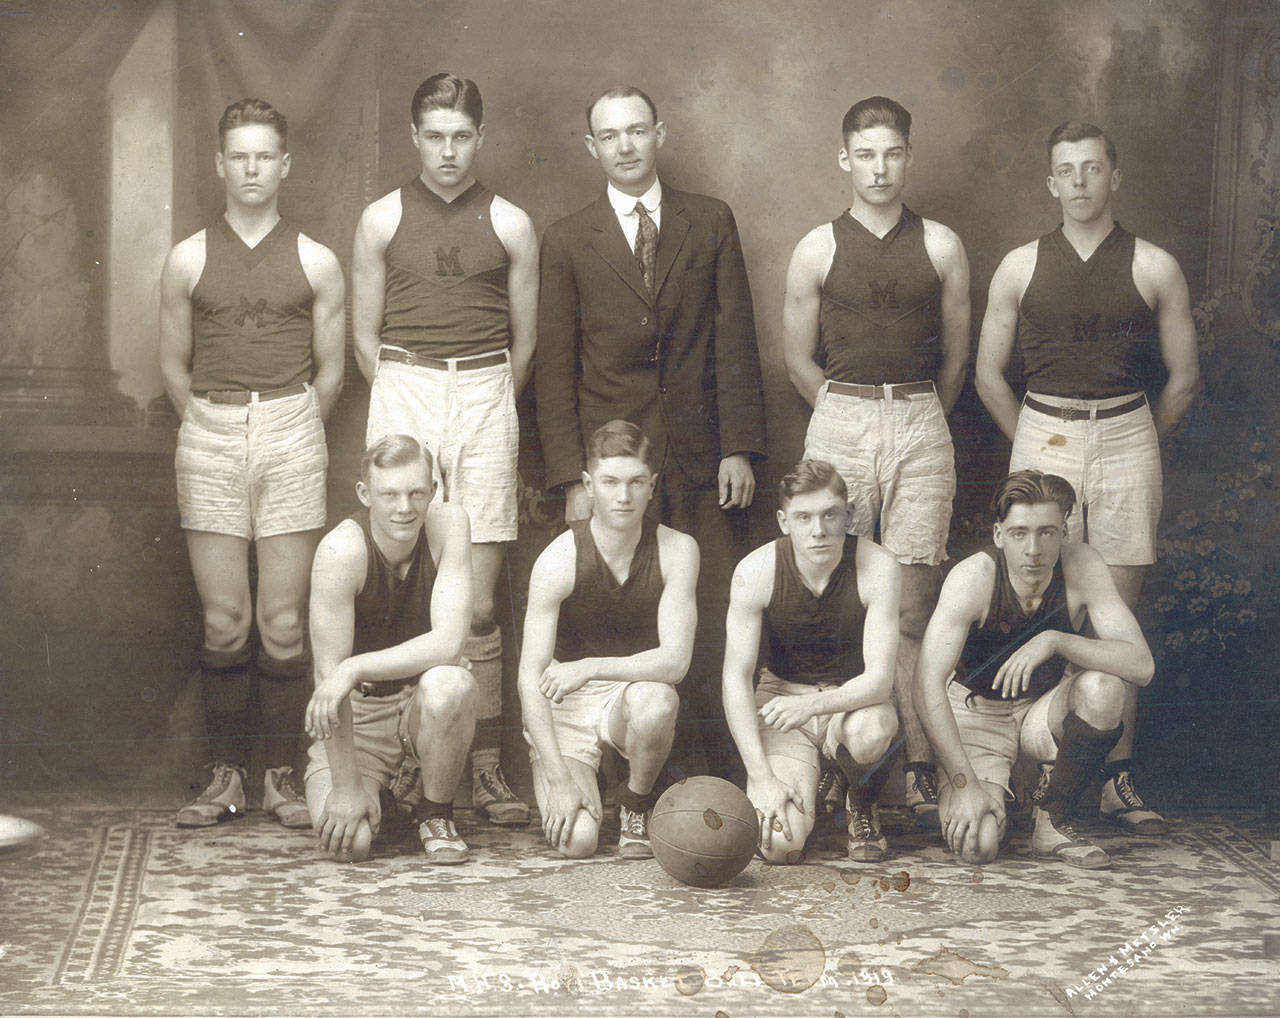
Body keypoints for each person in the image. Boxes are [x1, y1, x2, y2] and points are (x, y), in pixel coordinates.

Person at [974, 121, 1199, 836]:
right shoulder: (1019, 265)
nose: (1078, 182)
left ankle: (1114, 776)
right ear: (1050, 182)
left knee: (1117, 603)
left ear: (1114, 176)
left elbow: (1184, 382)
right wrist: (1039, 453)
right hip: (1045, 428)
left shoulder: (1154, 266)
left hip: (1127, 428)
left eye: (1092, 168)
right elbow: (986, 375)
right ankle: (1036, 766)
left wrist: (1132, 443)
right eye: (1065, 170)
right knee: (1035, 586)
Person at [536, 86, 766, 784]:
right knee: (620, 621)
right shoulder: (569, 238)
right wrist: (571, 478)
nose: (626, 146)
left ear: (660, 134)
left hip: (700, 457)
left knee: (710, 614)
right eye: (611, 135)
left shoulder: (709, 221)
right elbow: (554, 368)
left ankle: (712, 781)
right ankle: (625, 779)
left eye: (638, 131)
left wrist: (738, 446)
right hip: (613, 470)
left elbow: (735, 341)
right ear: (592, 147)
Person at [352, 73, 538, 826]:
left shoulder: (512, 222)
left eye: (461, 136)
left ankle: (485, 771)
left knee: (482, 601)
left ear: (480, 139)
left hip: (487, 389)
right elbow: (364, 338)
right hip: (403, 382)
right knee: (407, 584)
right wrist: (409, 388)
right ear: (414, 137)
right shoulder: (381, 218)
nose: (448, 151)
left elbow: (523, 346)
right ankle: (405, 763)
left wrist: (478, 393)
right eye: (434, 135)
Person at [781, 96, 970, 830]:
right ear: (844, 159)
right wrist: (847, 413)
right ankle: (845, 757)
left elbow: (955, 361)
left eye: (892, 153)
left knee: (916, 601)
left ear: (908, 157)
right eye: (865, 154)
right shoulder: (817, 248)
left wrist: (913, 417)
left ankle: (916, 763)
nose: (879, 167)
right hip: (841, 416)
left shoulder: (943, 246)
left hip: (920, 416)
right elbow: (797, 359)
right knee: (838, 587)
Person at [159, 98, 345, 830]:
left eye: (265, 155)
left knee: (283, 620)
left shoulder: (316, 259)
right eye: (239, 155)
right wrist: (218, 421)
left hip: (293, 426)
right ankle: (224, 775)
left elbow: (331, 375)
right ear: (219, 163)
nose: (252, 168)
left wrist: (283, 424)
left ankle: (282, 777)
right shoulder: (189, 257)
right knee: (226, 618)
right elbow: (173, 367)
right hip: (209, 425)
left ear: (286, 164)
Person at [914, 470, 1155, 869]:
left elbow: (1141, 666)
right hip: (976, 716)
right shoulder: (973, 577)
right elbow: (925, 685)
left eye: (1047, 532)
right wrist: (964, 784)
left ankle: (1051, 820)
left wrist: (1054, 641)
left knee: (1105, 688)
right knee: (979, 845)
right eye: (1019, 533)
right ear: (997, 534)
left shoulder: (1082, 565)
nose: (1034, 549)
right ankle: (1005, 790)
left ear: (1064, 532)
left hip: (1038, 709)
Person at [519, 421, 699, 858]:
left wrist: (591, 667)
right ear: (587, 484)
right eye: (610, 482)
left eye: (636, 482)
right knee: (579, 842)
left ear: (652, 485)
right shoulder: (559, 558)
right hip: (567, 703)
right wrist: (559, 779)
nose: (624, 496)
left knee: (658, 700)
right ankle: (575, 780)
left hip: (628, 692)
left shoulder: (677, 549)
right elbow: (529, 677)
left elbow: (675, 663)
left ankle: (635, 801)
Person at [303, 435, 476, 864]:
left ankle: (435, 812)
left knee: (451, 681)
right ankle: (390, 793)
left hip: (419, 705)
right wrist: (345, 786)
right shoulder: (342, 550)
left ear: (433, 491)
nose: (405, 507)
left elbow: (449, 641)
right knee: (353, 844)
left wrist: (354, 666)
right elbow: (330, 683)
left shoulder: (449, 523)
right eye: (390, 494)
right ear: (365, 494)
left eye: (417, 492)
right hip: (359, 720)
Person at [723, 460, 901, 863]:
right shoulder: (755, 570)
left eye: (829, 515)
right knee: (780, 847)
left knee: (873, 730)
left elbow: (879, 682)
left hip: (852, 701)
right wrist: (761, 777)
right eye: (803, 518)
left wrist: (811, 706)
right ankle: (817, 778)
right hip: (784, 695)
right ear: (784, 522)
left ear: (849, 516)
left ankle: (860, 800)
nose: (818, 530)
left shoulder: (878, 566)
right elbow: (734, 679)